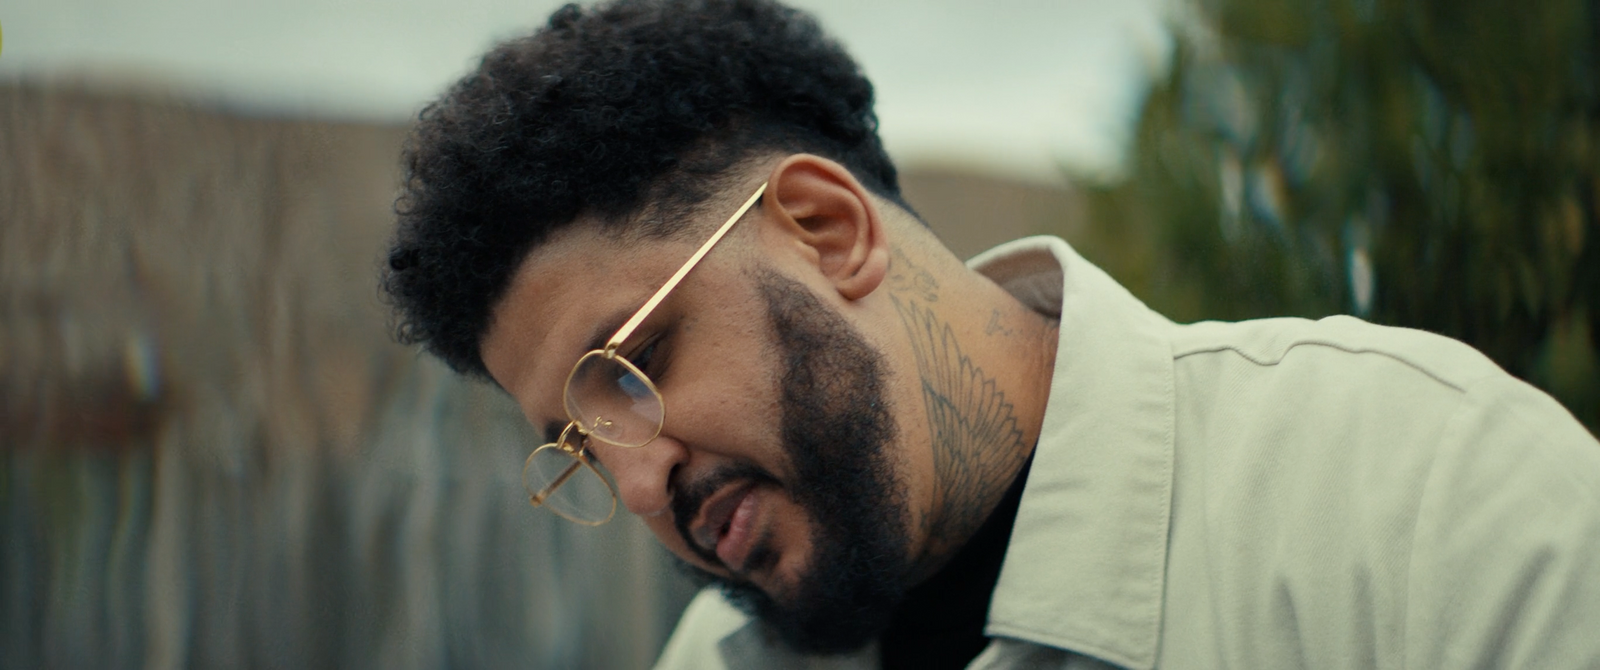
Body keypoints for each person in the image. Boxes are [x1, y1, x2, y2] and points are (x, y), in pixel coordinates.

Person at [379, 0, 1600, 667]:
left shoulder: (1409, 492)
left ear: (822, 226)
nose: (643, 483)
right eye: (583, 449)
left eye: (634, 366)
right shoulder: (714, 661)